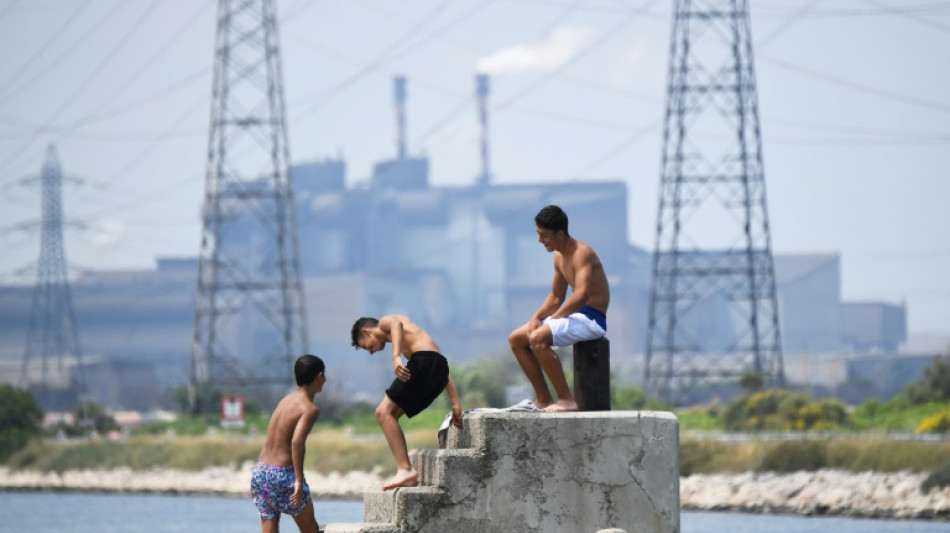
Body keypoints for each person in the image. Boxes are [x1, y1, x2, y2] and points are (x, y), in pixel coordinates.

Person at [508, 205, 610, 413]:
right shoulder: (558, 257)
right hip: (575, 316)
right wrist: (537, 317)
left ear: (560, 234)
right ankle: (544, 398)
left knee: (537, 339)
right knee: (517, 339)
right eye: (538, 235)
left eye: (544, 235)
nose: (540, 241)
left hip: (592, 319)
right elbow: (556, 296)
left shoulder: (583, 253)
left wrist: (553, 319)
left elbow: (581, 294)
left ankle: (566, 400)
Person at [351, 314, 463, 490]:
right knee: (390, 415)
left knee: (383, 412)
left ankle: (405, 469)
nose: (372, 352)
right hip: (439, 370)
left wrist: (395, 357)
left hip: (426, 363)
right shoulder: (413, 343)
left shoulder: (384, 322)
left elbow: (396, 324)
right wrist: (456, 402)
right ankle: (407, 473)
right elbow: (440, 364)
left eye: (368, 347)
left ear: (367, 332)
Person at [251, 354, 326, 533]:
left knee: (270, 527)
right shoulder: (309, 409)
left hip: (261, 473)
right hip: (283, 475)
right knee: (311, 530)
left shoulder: (285, 400)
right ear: (320, 376)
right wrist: (299, 480)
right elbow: (297, 442)